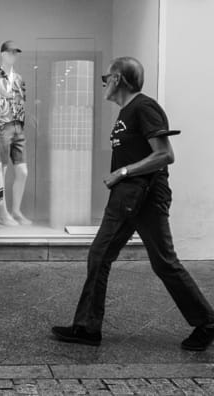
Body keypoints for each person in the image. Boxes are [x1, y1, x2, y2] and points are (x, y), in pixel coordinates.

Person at [51, 57, 214, 351]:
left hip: (146, 196)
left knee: (163, 263)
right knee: (100, 255)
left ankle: (207, 321)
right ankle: (87, 328)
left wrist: (122, 172)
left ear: (118, 79)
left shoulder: (144, 107)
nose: (103, 83)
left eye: (106, 77)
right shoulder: (128, 111)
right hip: (128, 198)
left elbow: (165, 154)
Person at [0, 41, 31, 226]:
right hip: (2, 126)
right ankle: (2, 213)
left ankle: (16, 210)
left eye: (16, 52)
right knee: (2, 171)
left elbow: (21, 101)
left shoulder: (19, 78)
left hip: (18, 127)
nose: (13, 55)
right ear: (3, 54)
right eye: (10, 52)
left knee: (22, 171)